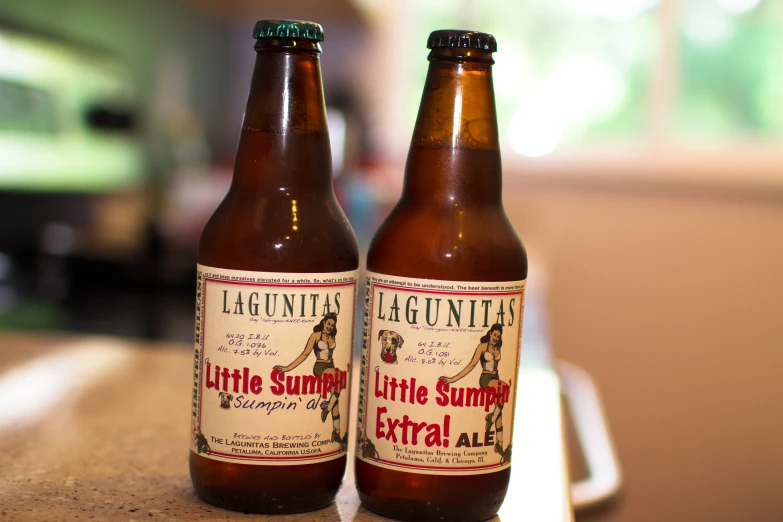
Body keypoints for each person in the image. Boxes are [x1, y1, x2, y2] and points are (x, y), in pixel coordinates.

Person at [439, 324, 510, 461]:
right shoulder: (482, 347)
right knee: (504, 389)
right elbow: (472, 365)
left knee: (499, 413)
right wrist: (452, 379)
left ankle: (499, 445)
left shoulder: (497, 348)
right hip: (486, 378)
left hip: (496, 378)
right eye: (494, 335)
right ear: (490, 333)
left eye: (498, 336)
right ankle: (491, 418)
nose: (496, 338)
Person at [274, 313, 343, 442]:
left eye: (332, 325)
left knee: (336, 402)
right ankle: (327, 407)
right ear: (323, 322)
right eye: (328, 324)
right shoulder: (316, 336)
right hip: (320, 367)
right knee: (340, 377)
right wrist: (287, 368)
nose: (329, 327)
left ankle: (336, 433)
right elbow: (305, 354)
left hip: (331, 366)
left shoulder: (333, 336)